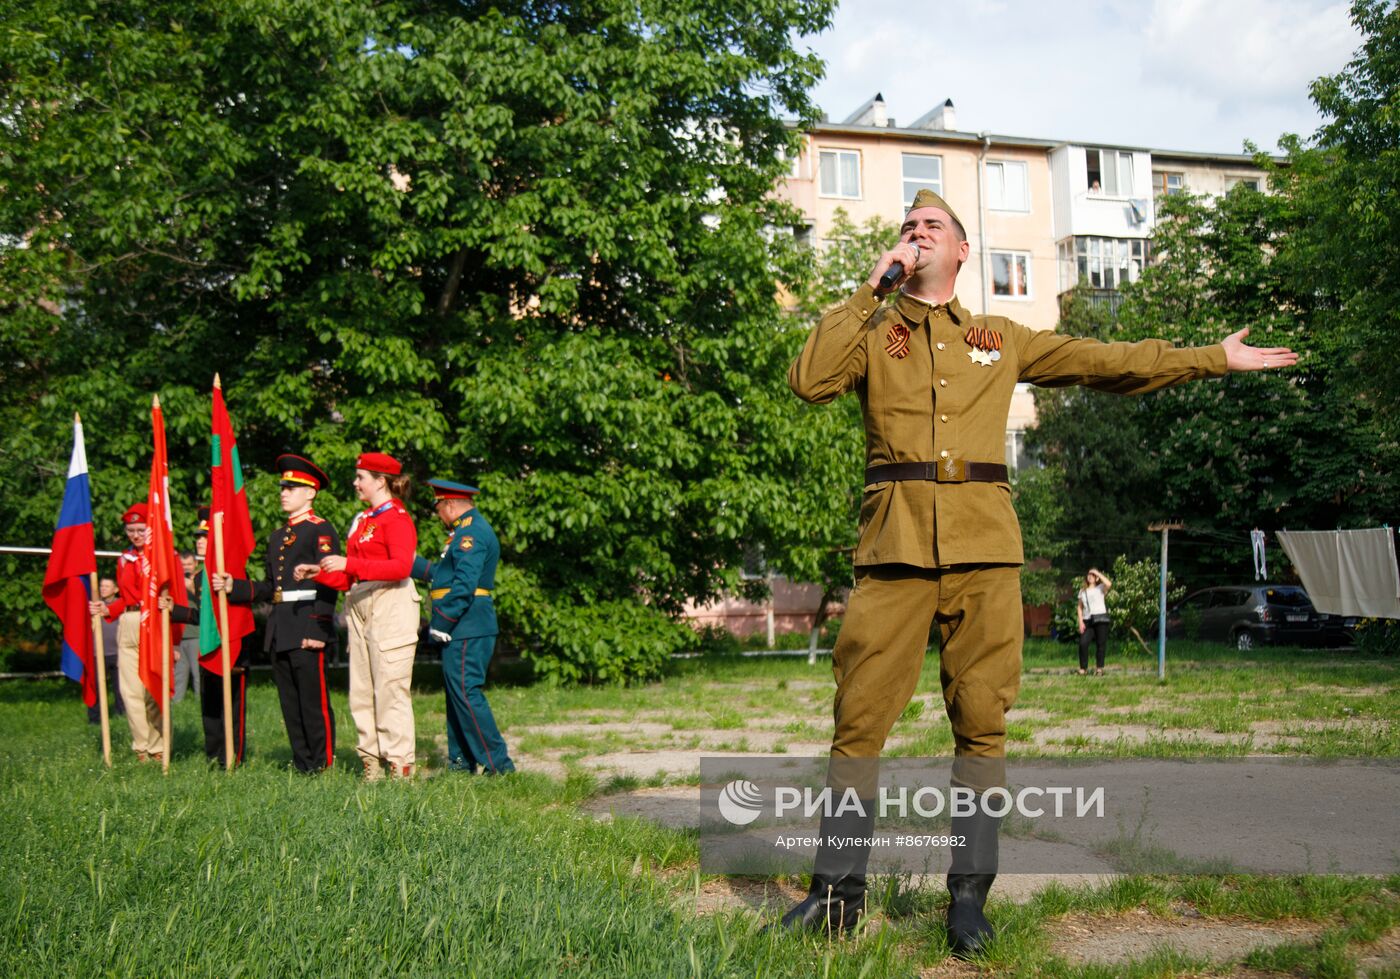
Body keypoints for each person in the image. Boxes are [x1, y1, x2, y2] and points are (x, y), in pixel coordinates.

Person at [780, 188, 1297, 953]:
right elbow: (808, 379)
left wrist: (1210, 359)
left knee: (982, 725)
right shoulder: (872, 328)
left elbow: (1107, 362)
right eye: (908, 227)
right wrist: (871, 284)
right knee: (857, 725)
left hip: (987, 553)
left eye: (933, 228)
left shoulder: (1000, 336)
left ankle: (968, 901)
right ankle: (835, 897)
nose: (918, 234)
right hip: (892, 555)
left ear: (961, 252)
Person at [210, 454, 341, 773]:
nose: (284, 492)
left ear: (310, 492)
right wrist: (234, 586)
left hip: (308, 623)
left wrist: (318, 629)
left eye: (292, 487)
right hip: (281, 626)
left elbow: (329, 582)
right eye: (283, 487)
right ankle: (302, 763)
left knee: (313, 701)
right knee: (289, 703)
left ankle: (322, 764)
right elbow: (270, 588)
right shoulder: (277, 537)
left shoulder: (320, 530)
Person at [300, 452, 419, 780]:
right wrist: (318, 572)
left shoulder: (396, 518)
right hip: (361, 600)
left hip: (390, 601)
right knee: (362, 688)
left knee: (390, 687)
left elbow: (401, 567)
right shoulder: (363, 520)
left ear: (381, 481)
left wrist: (348, 564)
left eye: (361, 477)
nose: (355, 483)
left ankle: (400, 765)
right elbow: (348, 576)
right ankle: (371, 762)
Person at [411, 479, 513, 774]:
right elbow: (442, 575)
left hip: (467, 624)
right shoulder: (463, 533)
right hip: (464, 623)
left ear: (450, 505)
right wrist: (410, 563)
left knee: (467, 693)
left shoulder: (470, 533)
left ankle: (499, 765)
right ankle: (461, 761)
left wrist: (444, 621)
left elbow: (465, 583)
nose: (438, 515)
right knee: (458, 693)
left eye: (438, 507)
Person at [163, 505, 252, 767]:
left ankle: (233, 757)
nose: (200, 542)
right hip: (208, 646)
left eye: (206, 537)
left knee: (232, 706)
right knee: (210, 704)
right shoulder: (201, 577)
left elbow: (240, 614)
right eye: (198, 538)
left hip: (233, 647)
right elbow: (203, 618)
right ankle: (213, 755)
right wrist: (174, 610)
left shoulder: (231, 571)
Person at [88, 504, 166, 761]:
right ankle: (141, 746)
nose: (135, 535)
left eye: (140, 529)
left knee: (151, 689)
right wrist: (107, 608)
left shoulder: (161, 556)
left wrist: (174, 642)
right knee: (129, 690)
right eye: (131, 530)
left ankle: (158, 746)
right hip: (129, 621)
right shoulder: (125, 559)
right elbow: (125, 597)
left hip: (153, 621)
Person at [172, 511, 209, 702]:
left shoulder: (201, 577)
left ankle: (200, 700)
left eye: (188, 564)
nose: (185, 567)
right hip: (181, 633)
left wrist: (192, 587)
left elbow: (206, 610)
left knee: (198, 673)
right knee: (179, 673)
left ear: (195, 563)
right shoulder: (177, 581)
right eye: (182, 565)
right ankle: (177, 703)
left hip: (197, 633)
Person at [86, 577, 124, 724]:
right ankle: (94, 719)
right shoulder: (93, 606)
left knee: (120, 688)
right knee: (95, 687)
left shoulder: (120, 606)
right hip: (97, 654)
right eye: (101, 586)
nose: (103, 589)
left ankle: (122, 716)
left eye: (107, 586)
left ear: (116, 589)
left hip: (117, 653)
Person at [1076, 568, 1113, 676]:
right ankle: (1083, 668)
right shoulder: (1082, 591)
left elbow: (1109, 584)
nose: (1090, 576)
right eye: (1089, 575)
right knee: (1083, 643)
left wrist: (1097, 573)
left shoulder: (1100, 588)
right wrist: (1080, 621)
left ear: (1096, 578)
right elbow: (1079, 607)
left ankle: (1099, 668)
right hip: (1088, 620)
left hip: (1100, 619)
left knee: (1100, 644)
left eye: (1092, 575)